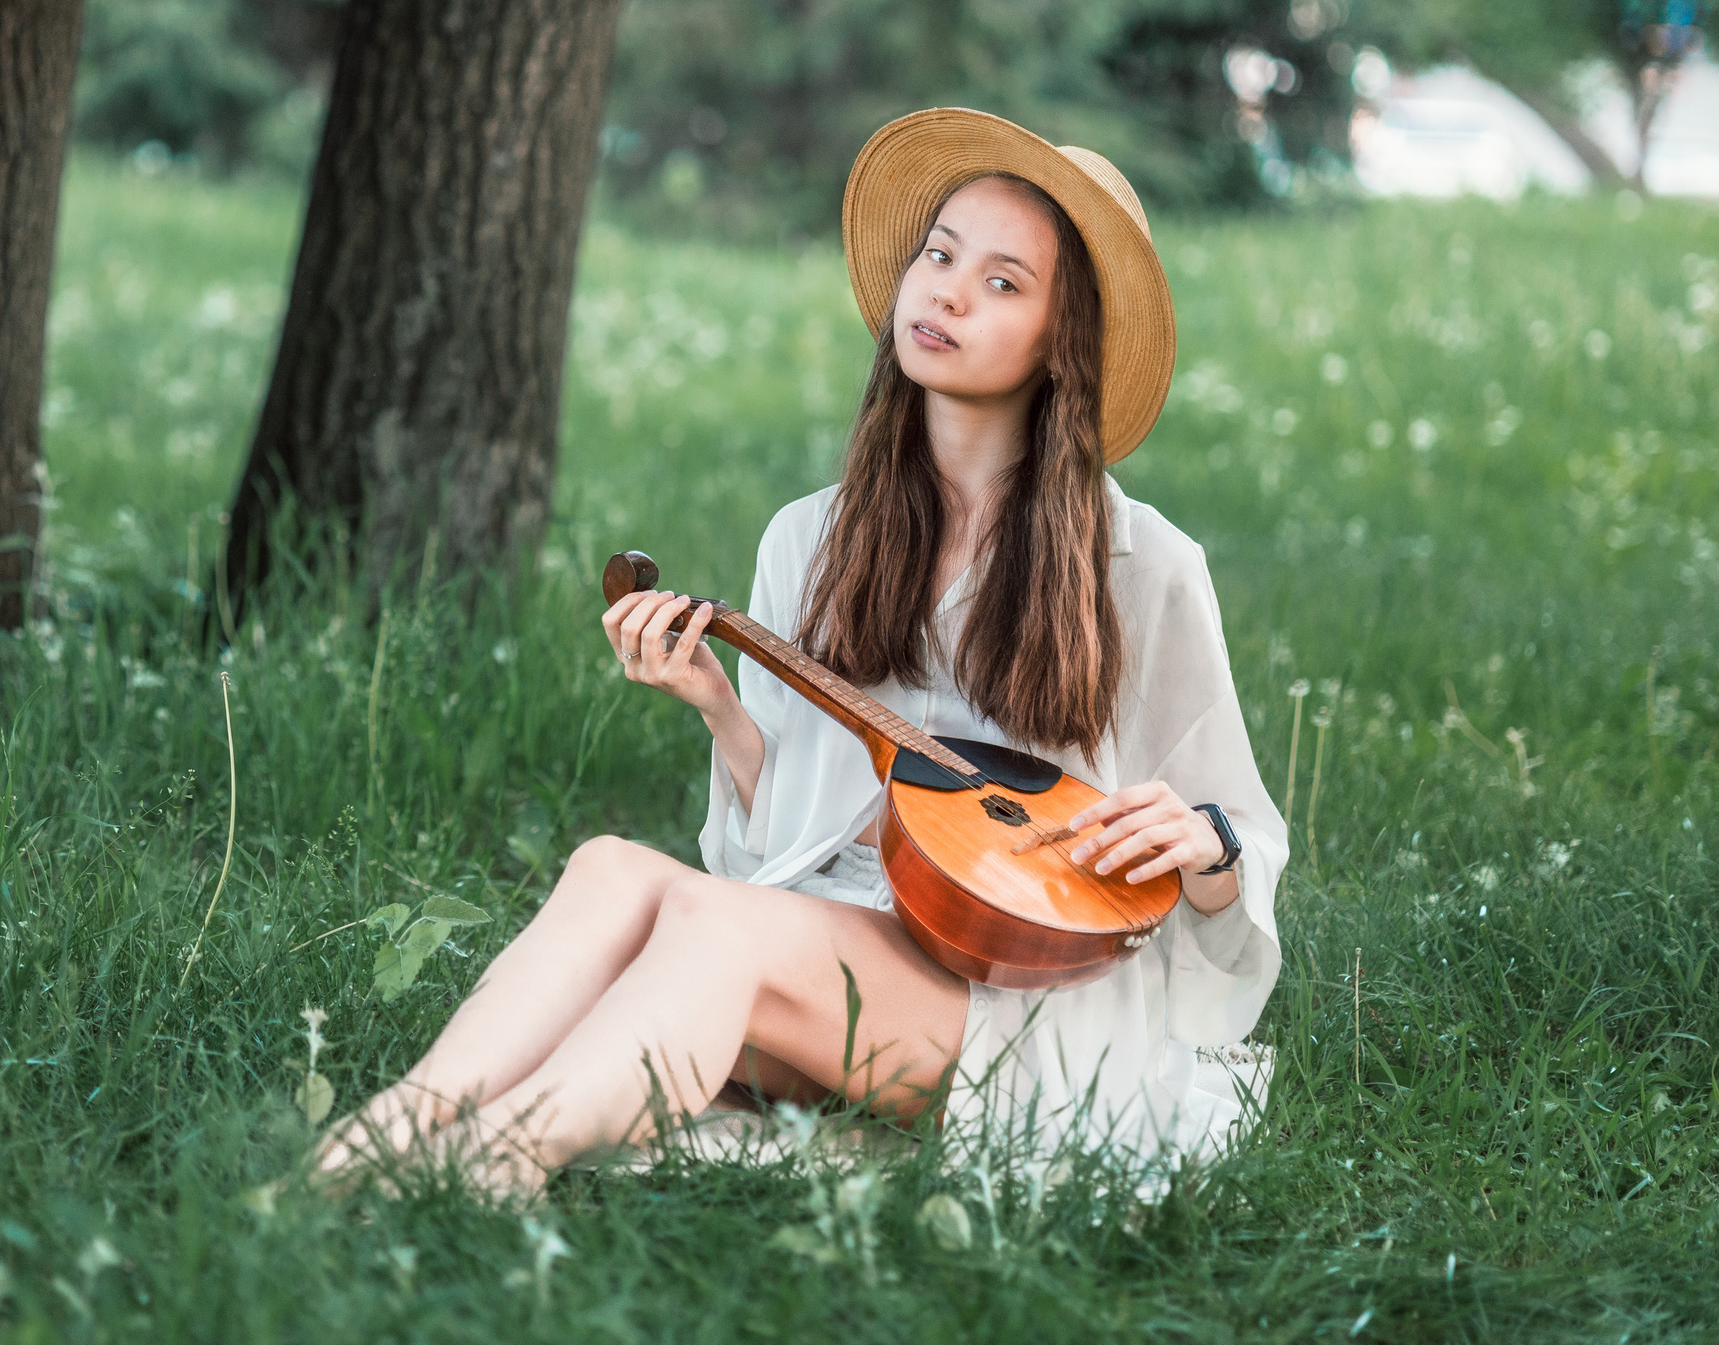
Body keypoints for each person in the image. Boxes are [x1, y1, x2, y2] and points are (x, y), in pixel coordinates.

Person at [312, 108, 1287, 1200]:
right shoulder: (811, 537)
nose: (950, 291)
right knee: (610, 866)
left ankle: (499, 1161)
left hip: (1024, 1008)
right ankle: (392, 1128)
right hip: (828, 948)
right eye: (940, 254)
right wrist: (724, 714)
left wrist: (1202, 847)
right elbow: (785, 848)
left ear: (1064, 341)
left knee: (719, 929)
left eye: (1005, 283)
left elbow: (1236, 836)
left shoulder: (1140, 563)